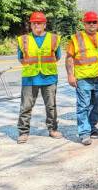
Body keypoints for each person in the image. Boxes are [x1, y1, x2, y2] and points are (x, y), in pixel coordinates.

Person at [16, 12, 63, 144]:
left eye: (39, 23)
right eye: (34, 23)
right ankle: (23, 132)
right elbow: (21, 58)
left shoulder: (54, 38)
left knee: (51, 106)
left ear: (44, 24)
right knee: (25, 106)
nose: (37, 25)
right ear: (30, 25)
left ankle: (53, 129)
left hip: (49, 78)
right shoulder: (23, 39)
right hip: (30, 79)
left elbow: (57, 56)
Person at [65, 11, 98, 145]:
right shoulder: (76, 38)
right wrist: (70, 75)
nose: (91, 24)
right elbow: (69, 58)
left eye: (94, 22)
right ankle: (84, 133)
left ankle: (92, 127)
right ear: (84, 23)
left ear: (97, 23)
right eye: (89, 22)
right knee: (83, 105)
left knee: (96, 104)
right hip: (83, 78)